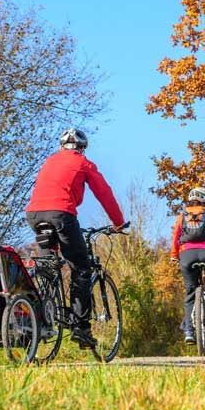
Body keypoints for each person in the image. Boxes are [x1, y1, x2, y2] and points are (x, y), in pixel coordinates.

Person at [25, 128, 125, 348]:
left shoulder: (50, 161)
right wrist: (118, 222)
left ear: (62, 147)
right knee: (82, 268)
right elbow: (104, 193)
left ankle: (43, 309)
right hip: (61, 214)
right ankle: (81, 327)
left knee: (47, 266)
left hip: (34, 214)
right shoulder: (83, 163)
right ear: (82, 148)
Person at [170, 187, 205, 344]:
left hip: (186, 255)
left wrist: (174, 255)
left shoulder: (182, 215)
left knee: (191, 292)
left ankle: (188, 331)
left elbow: (176, 236)